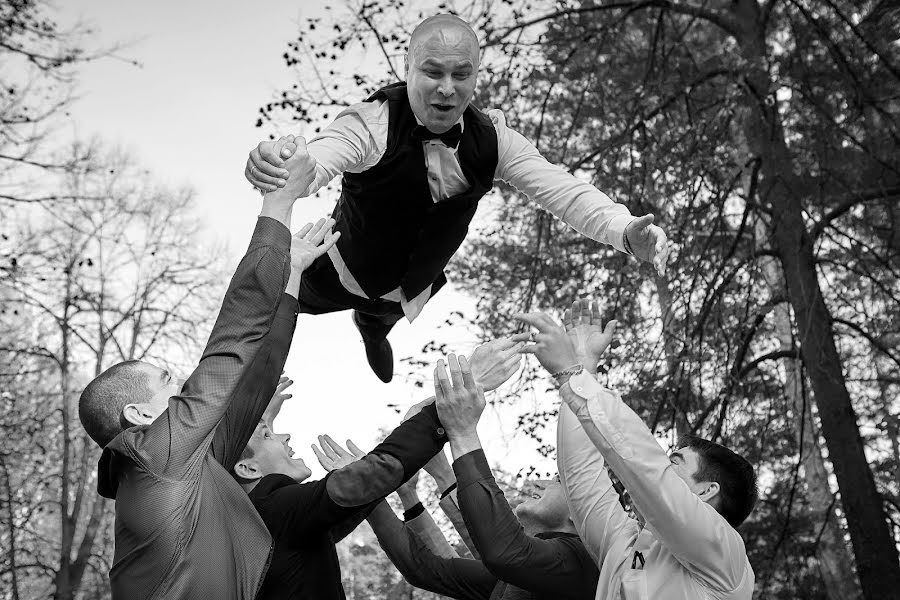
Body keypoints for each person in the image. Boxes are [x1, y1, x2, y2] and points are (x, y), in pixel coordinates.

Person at [244, 13, 670, 383]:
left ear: (475, 76)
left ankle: (372, 330)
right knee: (275, 307)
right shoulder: (371, 123)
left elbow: (565, 192)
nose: (447, 88)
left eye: (461, 75)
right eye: (433, 72)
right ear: (408, 67)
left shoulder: (496, 141)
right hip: (340, 270)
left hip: (410, 287)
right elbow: (319, 159)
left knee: (380, 317)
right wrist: (282, 168)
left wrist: (624, 232)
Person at [78, 136, 338, 600]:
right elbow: (232, 341)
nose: (181, 386)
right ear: (139, 415)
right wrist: (278, 202)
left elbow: (250, 380)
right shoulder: (154, 454)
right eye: (166, 382)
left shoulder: (191, 468)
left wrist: (292, 273)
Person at [235, 339, 523, 599]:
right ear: (247, 469)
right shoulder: (273, 510)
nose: (284, 436)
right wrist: (452, 400)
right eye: (268, 435)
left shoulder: (262, 519)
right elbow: (373, 476)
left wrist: (261, 419)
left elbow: (364, 495)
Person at [515, 299, 758, 599]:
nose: (663, 467)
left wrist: (572, 374)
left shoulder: (726, 555)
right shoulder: (629, 547)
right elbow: (581, 477)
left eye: (675, 462)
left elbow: (650, 473)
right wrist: (582, 367)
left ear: (707, 491)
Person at [331, 354, 600, 599]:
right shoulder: (526, 574)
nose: (537, 482)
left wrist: (461, 431)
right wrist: (368, 493)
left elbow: (502, 547)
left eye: (556, 481)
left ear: (580, 515)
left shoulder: (581, 562)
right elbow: (424, 569)